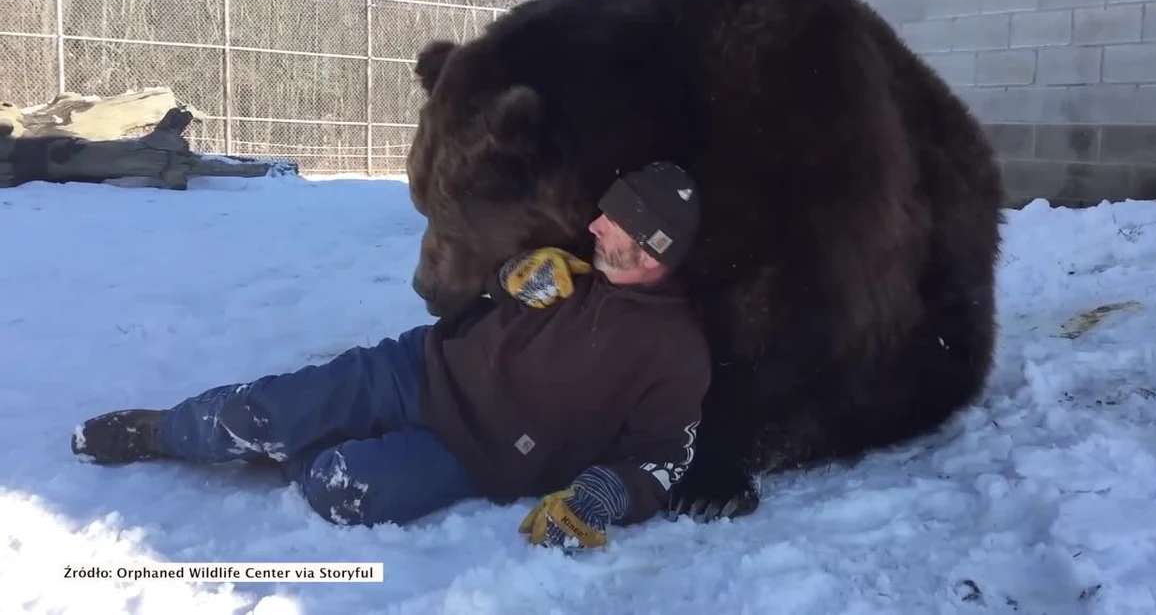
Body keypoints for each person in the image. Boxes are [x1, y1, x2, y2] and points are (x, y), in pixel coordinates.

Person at [71, 161, 710, 551]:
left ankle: (291, 446)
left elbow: (661, 460)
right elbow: (471, 295)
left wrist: (605, 495)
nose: (595, 225)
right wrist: (509, 275)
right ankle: (161, 431)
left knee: (338, 487)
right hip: (416, 369)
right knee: (262, 412)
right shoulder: (576, 266)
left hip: (470, 455)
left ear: (651, 249)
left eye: (615, 221)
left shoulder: (675, 354)